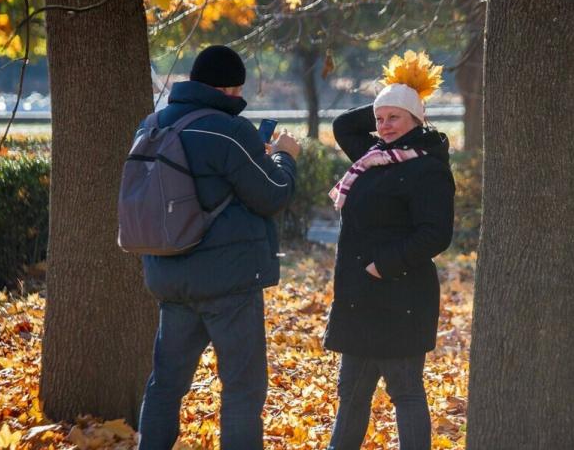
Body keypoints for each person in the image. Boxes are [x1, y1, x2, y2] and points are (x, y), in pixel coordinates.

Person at [136, 45, 301, 450]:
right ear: (230, 89)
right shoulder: (230, 130)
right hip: (228, 284)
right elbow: (273, 194)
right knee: (242, 390)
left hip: (170, 276)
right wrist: (285, 158)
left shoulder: (152, 124)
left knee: (165, 384)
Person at [324, 51, 456, 450]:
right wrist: (392, 98)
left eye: (394, 118)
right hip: (358, 299)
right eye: (380, 119)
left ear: (418, 119)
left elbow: (436, 234)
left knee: (405, 392)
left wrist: (383, 266)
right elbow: (345, 125)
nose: (383, 126)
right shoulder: (372, 158)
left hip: (400, 296)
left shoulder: (428, 166)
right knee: (351, 392)